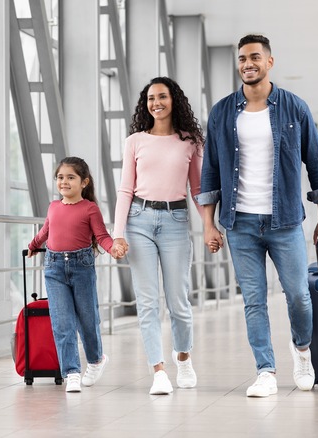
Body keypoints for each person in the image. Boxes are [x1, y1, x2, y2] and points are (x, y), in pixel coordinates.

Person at [196, 34, 318, 398]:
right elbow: (210, 171)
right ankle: (266, 370)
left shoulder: (295, 108)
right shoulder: (223, 112)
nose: (248, 63)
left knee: (297, 296)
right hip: (240, 222)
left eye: (255, 57)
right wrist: (208, 224)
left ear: (269, 62)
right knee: (254, 300)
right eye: (242, 58)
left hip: (286, 220)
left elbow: (317, 165)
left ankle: (302, 351)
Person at [111, 77, 204, 395]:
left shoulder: (190, 141)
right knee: (148, 303)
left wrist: (210, 226)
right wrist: (117, 234)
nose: (156, 103)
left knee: (179, 301)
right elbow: (125, 189)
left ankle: (183, 357)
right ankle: (158, 371)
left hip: (177, 221)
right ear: (145, 104)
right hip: (139, 221)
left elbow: (198, 189)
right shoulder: (135, 141)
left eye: (162, 97)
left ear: (174, 100)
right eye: (151, 98)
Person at [27, 156, 118, 393]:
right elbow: (46, 230)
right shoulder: (53, 207)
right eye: (60, 177)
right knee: (62, 323)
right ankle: (72, 372)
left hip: (82, 268)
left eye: (70, 177)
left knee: (88, 320)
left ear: (84, 182)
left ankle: (97, 359)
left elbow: (102, 236)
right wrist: (33, 245)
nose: (64, 182)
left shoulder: (90, 209)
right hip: (54, 269)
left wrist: (113, 248)